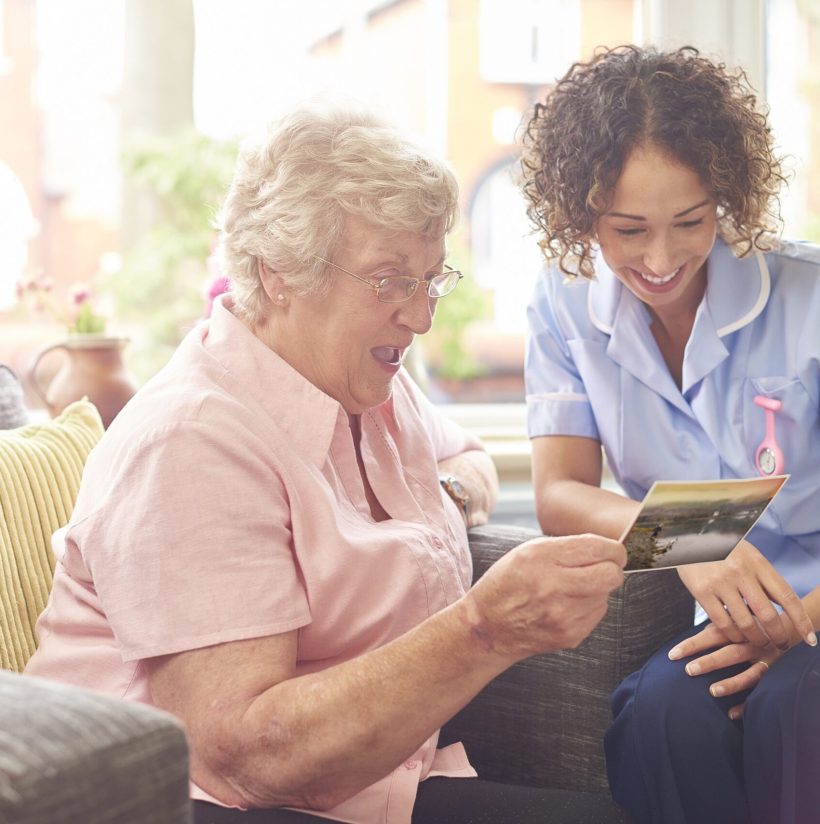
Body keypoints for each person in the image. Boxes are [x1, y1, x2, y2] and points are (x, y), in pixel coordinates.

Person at [25, 100, 627, 824]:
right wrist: (485, 630)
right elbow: (245, 758)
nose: (422, 316)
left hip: (376, 783)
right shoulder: (191, 442)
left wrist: (444, 500)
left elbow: (465, 458)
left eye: (432, 278)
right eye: (389, 279)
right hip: (196, 802)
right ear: (277, 274)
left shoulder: (372, 385)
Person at [520, 44, 820, 824]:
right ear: (581, 215)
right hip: (713, 616)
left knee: (799, 704)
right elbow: (558, 496)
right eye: (627, 231)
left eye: (689, 222)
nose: (660, 259)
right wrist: (695, 538)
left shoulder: (809, 297)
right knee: (664, 715)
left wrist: (803, 619)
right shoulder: (562, 308)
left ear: (725, 196)